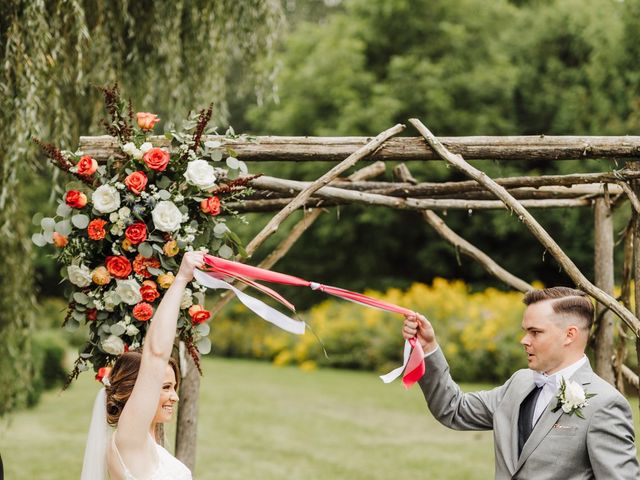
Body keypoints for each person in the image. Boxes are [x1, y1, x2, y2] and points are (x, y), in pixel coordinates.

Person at [402, 286, 639, 480]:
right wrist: (428, 348)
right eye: (525, 331)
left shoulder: (605, 404)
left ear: (570, 335)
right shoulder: (519, 382)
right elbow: (452, 409)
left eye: (535, 332)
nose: (524, 340)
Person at [81, 251, 204, 480]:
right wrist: (181, 279)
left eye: (173, 387)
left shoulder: (146, 440)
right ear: (136, 390)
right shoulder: (129, 439)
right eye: (165, 387)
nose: (175, 397)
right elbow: (156, 355)